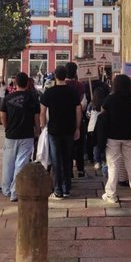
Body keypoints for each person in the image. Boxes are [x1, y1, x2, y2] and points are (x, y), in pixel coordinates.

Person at [39, 65, 82, 199]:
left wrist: (43, 127)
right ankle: (67, 187)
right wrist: (77, 127)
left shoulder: (49, 92)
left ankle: (58, 189)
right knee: (67, 158)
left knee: (56, 159)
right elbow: (78, 110)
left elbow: (42, 112)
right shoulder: (72, 92)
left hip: (54, 130)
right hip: (69, 129)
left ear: (55, 76)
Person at [0, 72, 40, 202]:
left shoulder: (7, 98)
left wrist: (7, 127)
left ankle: (6, 189)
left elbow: (2, 115)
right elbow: (36, 117)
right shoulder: (33, 97)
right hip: (26, 134)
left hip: (11, 134)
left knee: (8, 163)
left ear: (15, 83)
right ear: (28, 83)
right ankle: (15, 191)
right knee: (21, 163)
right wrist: (37, 130)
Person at [101, 74, 131, 203]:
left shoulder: (110, 99)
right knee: (130, 163)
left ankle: (111, 194)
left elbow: (103, 113)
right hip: (128, 134)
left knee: (113, 165)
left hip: (112, 135)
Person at [65, 62, 87, 178]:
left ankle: (69, 170)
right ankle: (80, 169)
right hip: (78, 119)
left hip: (65, 119)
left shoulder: (62, 85)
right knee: (79, 145)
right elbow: (84, 104)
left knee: (67, 146)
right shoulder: (80, 86)